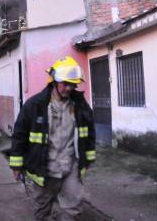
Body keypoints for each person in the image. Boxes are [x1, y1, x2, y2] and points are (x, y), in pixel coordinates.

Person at [9, 57, 96, 221]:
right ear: (54, 81)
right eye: (65, 83)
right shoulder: (35, 105)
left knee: (73, 208)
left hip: (70, 168)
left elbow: (89, 132)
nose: (69, 88)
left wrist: (88, 158)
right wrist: (16, 164)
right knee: (42, 210)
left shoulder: (80, 105)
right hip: (44, 169)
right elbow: (19, 135)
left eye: (73, 84)